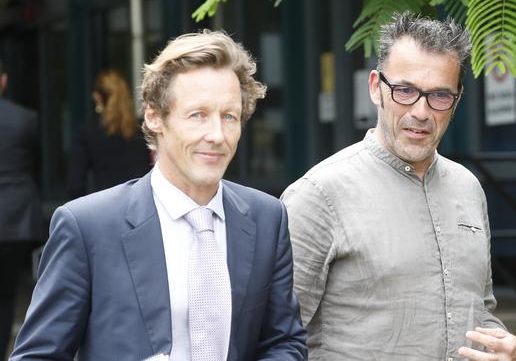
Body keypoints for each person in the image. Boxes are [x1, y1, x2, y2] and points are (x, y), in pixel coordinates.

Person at [11, 30, 307, 361]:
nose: (217, 135)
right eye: (198, 115)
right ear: (154, 117)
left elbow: (285, 342)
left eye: (229, 116)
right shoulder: (87, 228)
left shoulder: (268, 217)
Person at [281, 13, 516, 361]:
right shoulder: (319, 194)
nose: (421, 111)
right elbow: (278, 339)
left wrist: (512, 348)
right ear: (375, 88)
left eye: (439, 95)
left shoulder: (468, 188)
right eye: (405, 90)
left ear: (456, 100)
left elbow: (480, 310)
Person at [0, 59, 45, 360]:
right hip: (16, 219)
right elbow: (36, 164)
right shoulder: (25, 119)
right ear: (3, 81)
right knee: (6, 294)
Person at [67, 69, 151, 199]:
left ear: (97, 97)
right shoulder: (145, 127)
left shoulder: (87, 133)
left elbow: (75, 185)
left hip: (106, 208)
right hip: (142, 205)